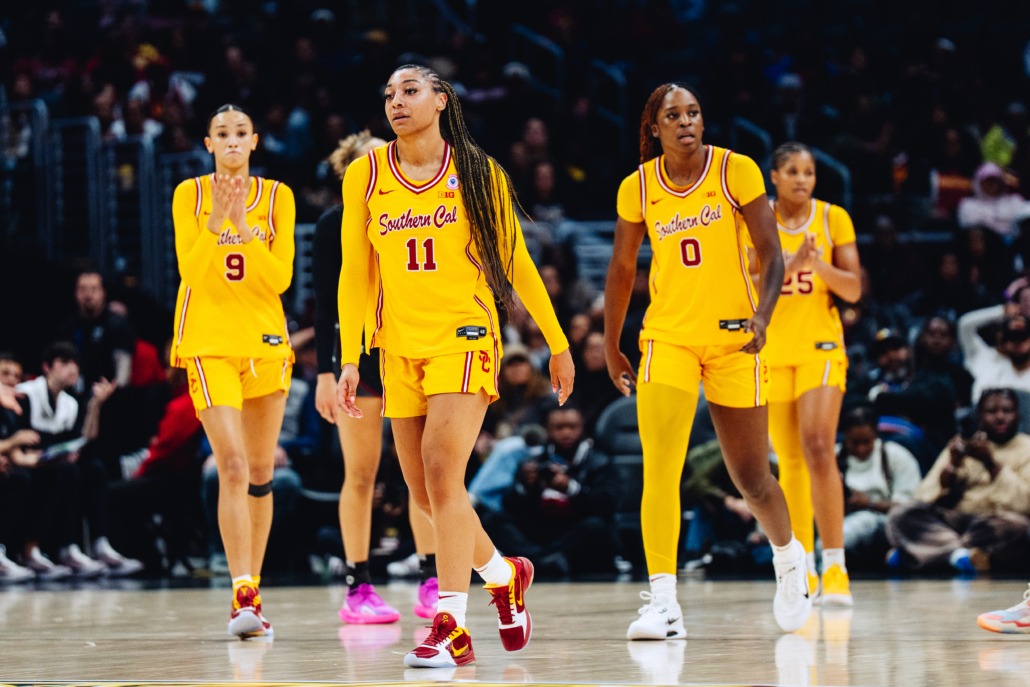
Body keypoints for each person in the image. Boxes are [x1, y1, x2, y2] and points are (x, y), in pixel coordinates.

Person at [335, 64, 574, 668]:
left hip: (465, 335)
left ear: (441, 100)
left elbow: (516, 261)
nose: (396, 101)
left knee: (443, 472)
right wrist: (348, 357)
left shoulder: (477, 171)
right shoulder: (364, 175)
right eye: (388, 93)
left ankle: (452, 627)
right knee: (425, 493)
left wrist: (559, 342)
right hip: (398, 347)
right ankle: (503, 575)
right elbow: (354, 274)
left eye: (410, 91)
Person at [603, 82, 811, 640]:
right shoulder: (637, 187)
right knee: (661, 470)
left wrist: (764, 316)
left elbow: (772, 255)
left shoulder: (735, 170)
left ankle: (790, 561)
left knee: (751, 479)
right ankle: (664, 602)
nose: (687, 121)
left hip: (734, 340)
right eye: (674, 115)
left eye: (694, 112)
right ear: (655, 127)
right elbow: (623, 269)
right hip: (667, 339)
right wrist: (609, 341)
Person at [170, 103, 295, 639]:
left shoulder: (277, 197)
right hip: (207, 343)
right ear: (209, 143)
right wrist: (219, 219)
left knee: (263, 472)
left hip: (265, 343)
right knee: (234, 465)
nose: (232, 141)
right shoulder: (189, 195)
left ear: (255, 140)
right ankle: (240, 590)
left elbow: (280, 279)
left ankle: (254, 592)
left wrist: (242, 224)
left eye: (241, 132)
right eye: (222, 133)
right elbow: (190, 273)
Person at [313, 129, 438, 625]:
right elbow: (325, 305)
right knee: (361, 473)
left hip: (410, 351)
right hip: (358, 359)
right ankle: (357, 584)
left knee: (424, 474)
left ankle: (431, 577)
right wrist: (326, 371)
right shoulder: (332, 225)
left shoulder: (414, 212)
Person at [762, 141, 862, 606]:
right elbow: (749, 289)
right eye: (793, 171)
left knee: (819, 446)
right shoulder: (757, 218)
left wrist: (815, 263)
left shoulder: (833, 217)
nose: (802, 179)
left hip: (820, 345)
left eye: (809, 171)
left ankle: (836, 565)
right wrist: (788, 267)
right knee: (788, 462)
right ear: (775, 177)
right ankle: (802, 568)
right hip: (771, 351)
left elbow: (854, 289)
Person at [886, 388, 1030, 575]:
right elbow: (923, 496)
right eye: (991, 412)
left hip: (991, 524)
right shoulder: (963, 445)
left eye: (1007, 411)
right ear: (979, 417)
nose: (1000, 417)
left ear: (1018, 416)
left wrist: (991, 463)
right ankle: (959, 555)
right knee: (901, 514)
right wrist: (952, 465)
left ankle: (924, 552)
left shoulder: (1027, 448)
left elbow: (1025, 502)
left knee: (1017, 527)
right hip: (953, 520)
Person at [478, 404, 621, 577]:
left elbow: (607, 505)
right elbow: (510, 506)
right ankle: (545, 560)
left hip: (576, 529)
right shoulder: (534, 460)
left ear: (582, 428)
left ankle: (537, 561)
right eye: (559, 428)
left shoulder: (599, 461)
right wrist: (526, 487)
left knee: (597, 527)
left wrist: (571, 488)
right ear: (548, 430)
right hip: (541, 530)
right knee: (492, 520)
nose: (566, 433)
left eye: (572, 427)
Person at [836, 405, 921, 567]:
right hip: (840, 518)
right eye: (854, 443)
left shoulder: (896, 455)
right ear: (844, 436)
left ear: (876, 434)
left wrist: (869, 503)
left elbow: (910, 507)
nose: (861, 449)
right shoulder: (833, 457)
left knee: (862, 522)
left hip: (885, 524)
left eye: (866, 442)